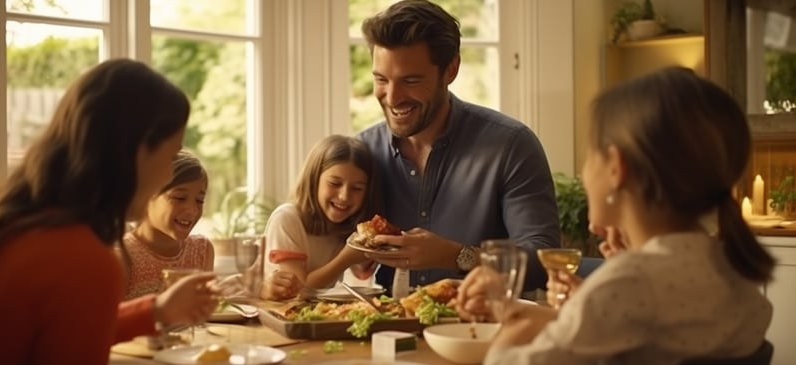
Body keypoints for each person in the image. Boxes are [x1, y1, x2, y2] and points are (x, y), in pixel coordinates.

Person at [456, 67, 776, 364]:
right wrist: (567, 314)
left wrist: (512, 334)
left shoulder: (628, 285)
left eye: (589, 155)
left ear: (615, 167)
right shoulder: (733, 271)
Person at [0, 59, 193, 364]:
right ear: (137, 150)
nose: (167, 175)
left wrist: (156, 311)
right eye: (172, 154)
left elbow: (53, 326)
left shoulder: (9, 220)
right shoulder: (83, 259)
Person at [356, 0, 560, 293]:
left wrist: (455, 255)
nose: (392, 97)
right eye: (381, 79)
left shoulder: (511, 146)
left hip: (480, 332)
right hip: (384, 331)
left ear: (450, 70)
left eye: (410, 80)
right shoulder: (363, 152)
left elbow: (543, 262)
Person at [261, 135, 380, 300]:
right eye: (334, 184)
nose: (344, 196)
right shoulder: (287, 219)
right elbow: (298, 292)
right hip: (279, 315)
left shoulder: (346, 227)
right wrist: (346, 258)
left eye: (357, 188)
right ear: (314, 180)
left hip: (313, 318)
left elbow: (362, 274)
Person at [119, 150, 214, 300]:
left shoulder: (202, 252)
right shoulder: (122, 256)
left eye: (199, 200)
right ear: (146, 196)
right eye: (180, 197)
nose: (192, 210)